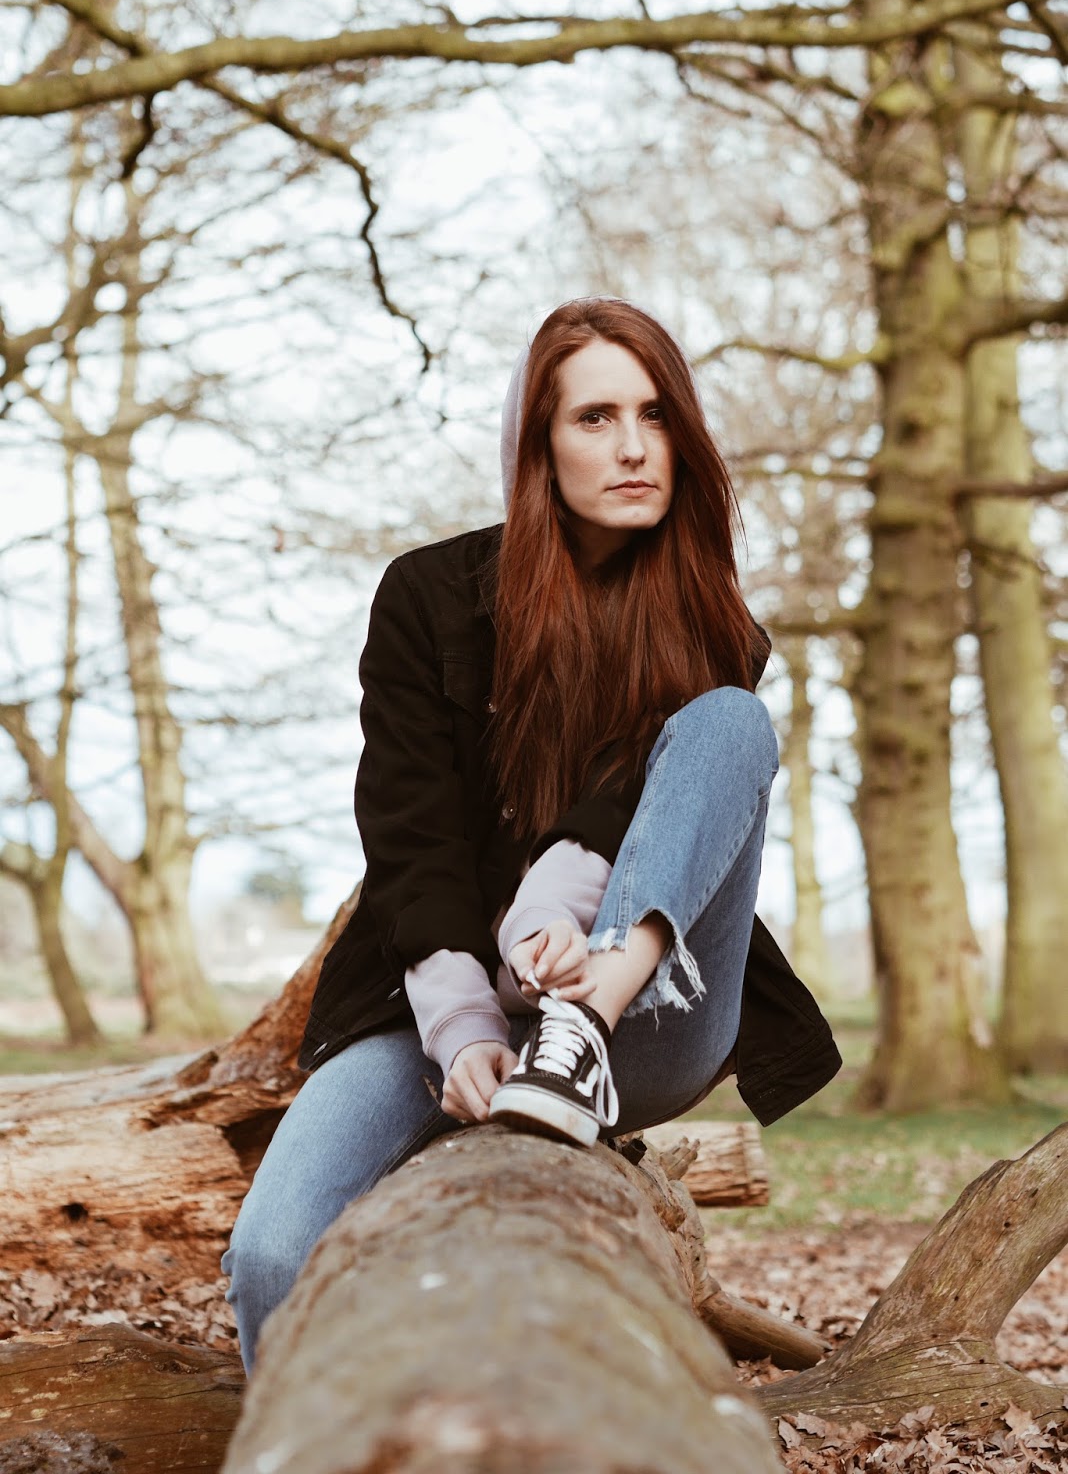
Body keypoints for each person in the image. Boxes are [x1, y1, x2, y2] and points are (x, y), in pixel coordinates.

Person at [223, 297, 840, 1371]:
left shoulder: (712, 620)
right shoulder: (427, 597)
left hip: (642, 1009)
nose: (634, 446)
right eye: (596, 417)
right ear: (537, 444)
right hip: (439, 1003)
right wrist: (465, 1029)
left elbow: (623, 802)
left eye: (655, 414)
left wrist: (570, 943)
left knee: (730, 726)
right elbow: (409, 840)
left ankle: (576, 1043)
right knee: (271, 1253)